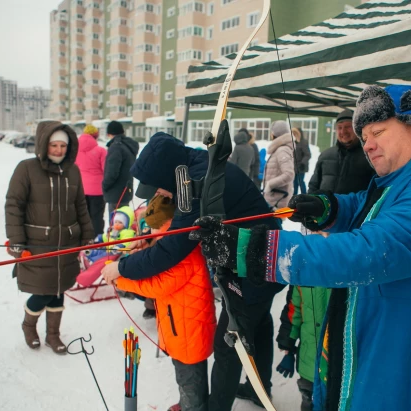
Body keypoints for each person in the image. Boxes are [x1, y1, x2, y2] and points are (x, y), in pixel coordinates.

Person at [191, 85, 411, 411]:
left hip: (397, 360)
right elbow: (371, 206)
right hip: (365, 341)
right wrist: (330, 208)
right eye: (364, 137)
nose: (368, 145)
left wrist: (252, 249)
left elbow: (370, 250)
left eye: (378, 132)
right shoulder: (407, 179)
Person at [101, 132, 284, 411]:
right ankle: (261, 389)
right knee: (257, 325)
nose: (160, 195)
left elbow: (172, 250)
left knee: (230, 343)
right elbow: (173, 235)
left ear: (167, 176)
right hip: (258, 258)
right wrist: (150, 237)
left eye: (160, 189)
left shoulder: (199, 185)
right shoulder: (194, 168)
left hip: (257, 264)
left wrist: (121, 267)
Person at [113, 195, 216, 411]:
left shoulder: (183, 254)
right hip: (180, 331)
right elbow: (155, 260)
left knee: (190, 380)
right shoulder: (174, 247)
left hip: (190, 334)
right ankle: (188, 402)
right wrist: (138, 252)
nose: (150, 235)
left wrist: (121, 279)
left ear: (166, 227)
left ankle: (193, 407)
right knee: (185, 378)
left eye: (153, 230)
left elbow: (156, 286)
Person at [5, 121, 94, 354]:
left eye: (62, 145)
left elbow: (80, 205)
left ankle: (53, 335)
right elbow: (14, 205)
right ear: (44, 145)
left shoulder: (72, 171)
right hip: (37, 244)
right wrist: (16, 240)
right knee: (43, 290)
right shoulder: (26, 168)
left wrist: (87, 234)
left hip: (67, 242)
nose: (58, 150)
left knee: (58, 288)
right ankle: (29, 326)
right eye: (53, 145)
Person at [276, 285, 330, 411]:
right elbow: (294, 309)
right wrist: (287, 345)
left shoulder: (345, 271)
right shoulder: (301, 274)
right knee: (309, 402)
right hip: (308, 361)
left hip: (338, 363)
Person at [308, 109, 375, 195]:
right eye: (339, 127)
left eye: (347, 127)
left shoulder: (369, 155)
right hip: (325, 207)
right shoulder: (325, 155)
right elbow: (313, 186)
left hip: (355, 208)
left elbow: (374, 191)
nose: (343, 131)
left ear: (357, 129)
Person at [103, 120, 139, 222]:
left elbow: (112, 172)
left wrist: (105, 185)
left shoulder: (116, 147)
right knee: (124, 222)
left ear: (109, 134)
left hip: (116, 192)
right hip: (126, 189)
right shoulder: (128, 146)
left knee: (115, 225)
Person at [75, 124, 107, 237]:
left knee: (84, 215)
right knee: (97, 216)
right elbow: (106, 170)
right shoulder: (101, 151)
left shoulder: (75, 151)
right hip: (97, 190)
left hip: (81, 189)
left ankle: (85, 237)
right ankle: (97, 239)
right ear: (96, 136)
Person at [262, 120, 295, 209]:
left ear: (274, 134)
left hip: (277, 200)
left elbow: (289, 174)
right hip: (274, 198)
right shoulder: (280, 149)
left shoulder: (282, 150)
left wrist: (270, 184)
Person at [292, 127, 311, 195]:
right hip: (294, 167)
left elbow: (307, 154)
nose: (293, 135)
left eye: (295, 133)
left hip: (301, 166)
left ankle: (304, 194)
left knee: (300, 181)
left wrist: (303, 163)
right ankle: (294, 195)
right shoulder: (293, 143)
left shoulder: (303, 142)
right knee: (294, 183)